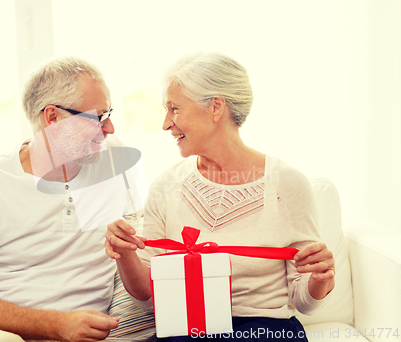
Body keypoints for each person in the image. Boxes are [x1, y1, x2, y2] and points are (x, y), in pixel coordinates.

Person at [105, 52, 335, 341]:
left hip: (265, 331)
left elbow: (304, 301)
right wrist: (124, 253)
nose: (166, 123)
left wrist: (319, 279)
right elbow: (148, 297)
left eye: (175, 109)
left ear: (215, 107)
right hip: (189, 330)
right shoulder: (167, 185)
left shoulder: (287, 184)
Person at [0, 56, 144, 342]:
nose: (109, 128)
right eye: (98, 117)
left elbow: (142, 283)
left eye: (109, 114)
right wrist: (57, 325)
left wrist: (125, 248)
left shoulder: (113, 162)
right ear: (53, 118)